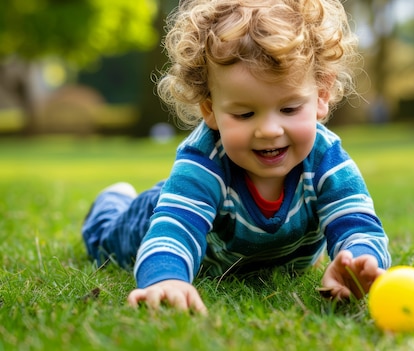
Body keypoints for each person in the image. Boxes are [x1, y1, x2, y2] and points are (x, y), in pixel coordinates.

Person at [82, 0, 391, 314]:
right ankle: (112, 202)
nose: (269, 130)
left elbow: (358, 225)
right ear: (209, 109)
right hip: (161, 212)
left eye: (289, 109)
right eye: (244, 113)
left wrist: (358, 261)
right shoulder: (204, 160)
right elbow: (174, 229)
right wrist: (166, 279)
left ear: (321, 96)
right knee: (104, 239)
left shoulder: (327, 161)